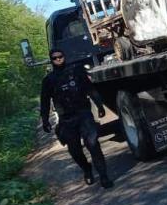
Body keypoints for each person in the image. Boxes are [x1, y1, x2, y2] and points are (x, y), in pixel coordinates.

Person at [40, 49, 113, 188]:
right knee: (75, 151)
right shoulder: (49, 80)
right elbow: (44, 101)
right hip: (66, 119)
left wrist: (100, 106)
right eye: (55, 58)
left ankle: (104, 176)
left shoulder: (76, 71)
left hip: (83, 113)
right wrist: (45, 120)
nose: (58, 60)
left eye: (60, 57)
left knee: (93, 144)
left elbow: (90, 89)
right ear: (51, 60)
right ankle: (86, 169)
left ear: (64, 57)